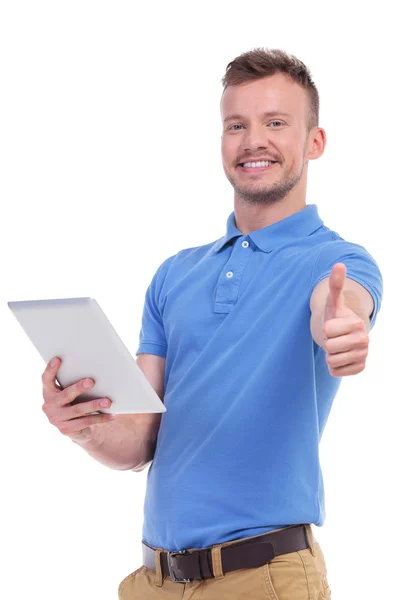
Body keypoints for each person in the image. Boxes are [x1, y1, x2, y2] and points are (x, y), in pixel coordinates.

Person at [41, 47, 383, 599]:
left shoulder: (337, 261)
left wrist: (342, 327)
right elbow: (137, 438)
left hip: (263, 580)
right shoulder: (174, 275)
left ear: (314, 142)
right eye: (236, 125)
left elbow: (340, 307)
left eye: (276, 122)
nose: (254, 140)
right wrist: (84, 425)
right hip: (153, 581)